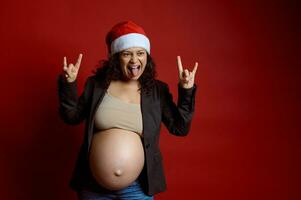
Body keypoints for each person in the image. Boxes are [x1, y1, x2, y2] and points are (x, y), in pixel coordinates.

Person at [58, 21, 198, 200]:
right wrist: (69, 85)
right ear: (116, 58)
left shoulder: (157, 91)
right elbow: (71, 117)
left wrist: (186, 90)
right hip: (93, 186)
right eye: (127, 54)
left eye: (140, 53)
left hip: (138, 187)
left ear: (147, 57)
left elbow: (180, 128)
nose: (134, 60)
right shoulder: (97, 85)